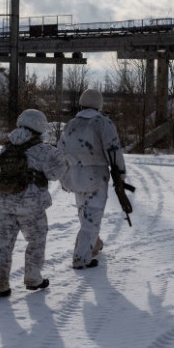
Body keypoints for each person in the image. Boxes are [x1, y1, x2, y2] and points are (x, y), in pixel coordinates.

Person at [0, 109, 68, 298]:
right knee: (36, 241)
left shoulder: (6, 147)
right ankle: (33, 279)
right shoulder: (44, 150)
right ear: (40, 126)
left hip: (5, 204)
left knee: (3, 245)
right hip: (31, 206)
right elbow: (57, 173)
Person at [58, 89, 126, 269]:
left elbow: (60, 153)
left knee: (84, 213)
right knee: (93, 216)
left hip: (74, 177)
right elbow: (113, 151)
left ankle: (93, 244)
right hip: (96, 177)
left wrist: (63, 178)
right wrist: (120, 176)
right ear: (99, 104)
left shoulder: (70, 125)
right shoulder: (103, 123)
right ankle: (81, 258)